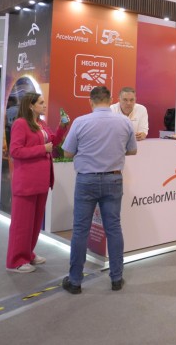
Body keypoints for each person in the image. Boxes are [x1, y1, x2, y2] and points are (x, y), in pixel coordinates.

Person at [61, 86, 136, 293]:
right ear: (111, 100)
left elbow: (67, 153)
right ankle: (116, 278)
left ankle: (75, 281)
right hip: (113, 179)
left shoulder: (80, 122)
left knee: (80, 230)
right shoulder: (124, 122)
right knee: (114, 228)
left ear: (90, 101)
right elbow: (132, 150)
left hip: (87, 180)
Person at [6, 93, 68, 273]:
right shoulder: (20, 124)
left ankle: (28, 253)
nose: (44, 105)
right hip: (26, 182)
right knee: (22, 224)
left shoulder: (41, 124)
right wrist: (42, 149)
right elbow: (15, 151)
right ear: (30, 105)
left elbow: (53, 142)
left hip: (42, 180)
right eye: (41, 103)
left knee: (34, 223)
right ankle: (15, 261)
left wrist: (62, 127)